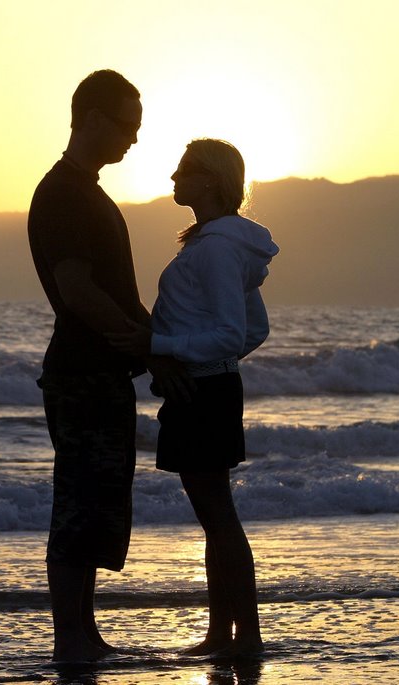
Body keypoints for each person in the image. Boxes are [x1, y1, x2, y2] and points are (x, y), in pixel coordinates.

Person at [27, 69, 190, 663]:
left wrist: (157, 341)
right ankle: (70, 639)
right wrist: (146, 346)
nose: (135, 139)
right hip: (81, 376)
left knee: (96, 506)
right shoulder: (64, 194)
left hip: (101, 375)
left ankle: (84, 636)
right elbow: (79, 292)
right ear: (92, 119)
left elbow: (116, 293)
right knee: (77, 507)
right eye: (127, 125)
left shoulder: (87, 191)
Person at [111, 138, 278, 657]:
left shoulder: (219, 249)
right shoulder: (215, 244)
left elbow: (233, 333)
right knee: (214, 514)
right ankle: (221, 634)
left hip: (205, 392)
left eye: (184, 170)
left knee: (218, 515)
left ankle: (244, 637)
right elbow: (253, 330)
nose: (173, 177)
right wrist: (195, 359)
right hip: (207, 386)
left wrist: (164, 347)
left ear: (210, 180)